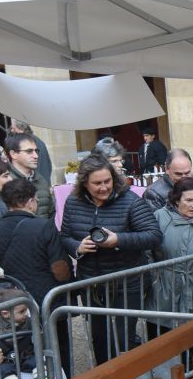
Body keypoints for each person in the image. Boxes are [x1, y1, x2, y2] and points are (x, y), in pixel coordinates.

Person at [60, 153, 162, 366]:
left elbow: (153, 235)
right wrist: (78, 247)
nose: (104, 187)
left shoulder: (130, 201)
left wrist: (118, 240)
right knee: (99, 337)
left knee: (123, 337)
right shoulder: (73, 202)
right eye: (97, 183)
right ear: (85, 183)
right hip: (92, 282)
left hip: (126, 283)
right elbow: (65, 236)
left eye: (107, 181)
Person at [0, 178, 72, 374]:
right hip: (46, 300)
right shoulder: (43, 226)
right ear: (31, 201)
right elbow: (60, 268)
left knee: (21, 353)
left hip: (12, 304)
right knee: (58, 349)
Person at [146, 177, 193, 363]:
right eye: (189, 200)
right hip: (163, 289)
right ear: (176, 199)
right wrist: (155, 281)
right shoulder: (159, 218)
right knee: (162, 345)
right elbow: (147, 252)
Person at [144, 149, 193, 235]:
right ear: (167, 169)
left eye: (187, 173)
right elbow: (156, 230)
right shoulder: (153, 193)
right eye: (178, 174)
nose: (184, 178)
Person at [4, 130, 53, 219]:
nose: (36, 156)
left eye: (36, 151)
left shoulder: (41, 180)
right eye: (29, 151)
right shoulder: (6, 182)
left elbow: (51, 213)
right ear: (13, 154)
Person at [8, 119, 52, 185]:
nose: (11, 130)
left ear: (19, 128)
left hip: (36, 183)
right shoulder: (37, 140)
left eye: (13, 128)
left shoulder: (27, 142)